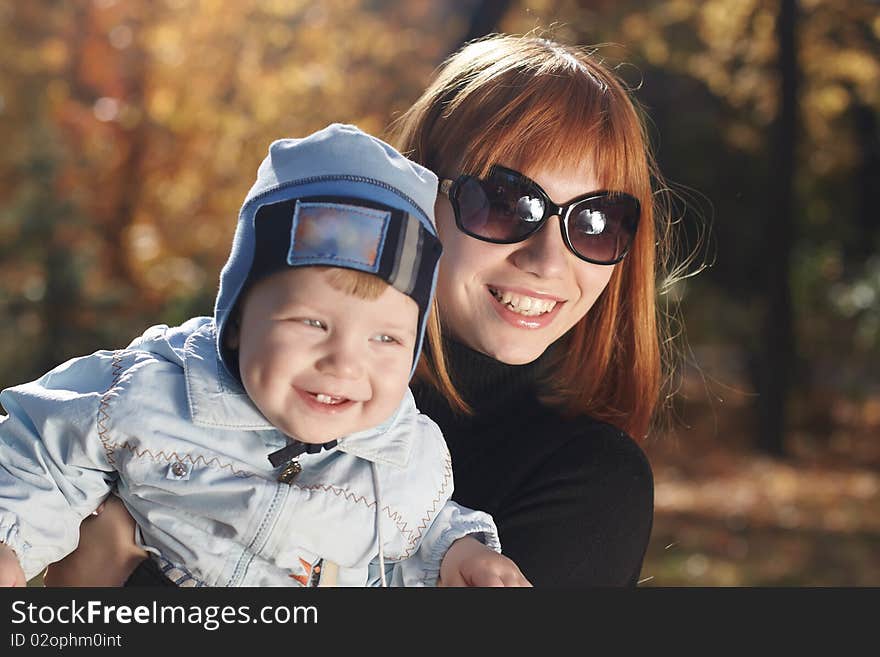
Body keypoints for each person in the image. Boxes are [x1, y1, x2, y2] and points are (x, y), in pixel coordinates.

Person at [45, 33, 676, 587]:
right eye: (506, 203)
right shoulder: (217, 383)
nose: (547, 259)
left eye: (597, 220)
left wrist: (112, 583)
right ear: (416, 204)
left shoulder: (590, 486)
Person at [0, 123, 530, 588]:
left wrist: (458, 554)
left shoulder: (404, 456)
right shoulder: (151, 392)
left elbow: (420, 532)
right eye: (312, 323)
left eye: (385, 339)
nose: (344, 364)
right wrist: (9, 542)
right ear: (237, 321)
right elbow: (42, 454)